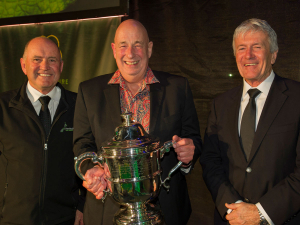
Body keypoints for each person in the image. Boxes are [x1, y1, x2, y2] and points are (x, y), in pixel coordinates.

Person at [73, 19, 202, 225]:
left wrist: (188, 154)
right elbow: (82, 144)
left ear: (149, 49)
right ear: (114, 50)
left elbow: (193, 138)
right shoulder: (90, 92)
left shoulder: (177, 88)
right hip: (107, 211)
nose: (130, 54)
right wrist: (91, 168)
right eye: (123, 45)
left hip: (167, 211)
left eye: (137, 45)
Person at [200, 18, 300, 225]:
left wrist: (261, 213)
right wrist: (234, 207)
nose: (248, 55)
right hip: (230, 218)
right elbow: (211, 162)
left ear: (273, 55)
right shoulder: (220, 104)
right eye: (242, 48)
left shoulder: (297, 98)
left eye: (257, 47)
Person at [0, 37, 84, 225]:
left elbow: (92, 157)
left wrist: (83, 206)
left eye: (52, 60)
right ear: (23, 65)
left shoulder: (80, 106)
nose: (45, 66)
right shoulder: (4, 107)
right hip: (12, 219)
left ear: (61, 66)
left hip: (65, 219)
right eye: (36, 59)